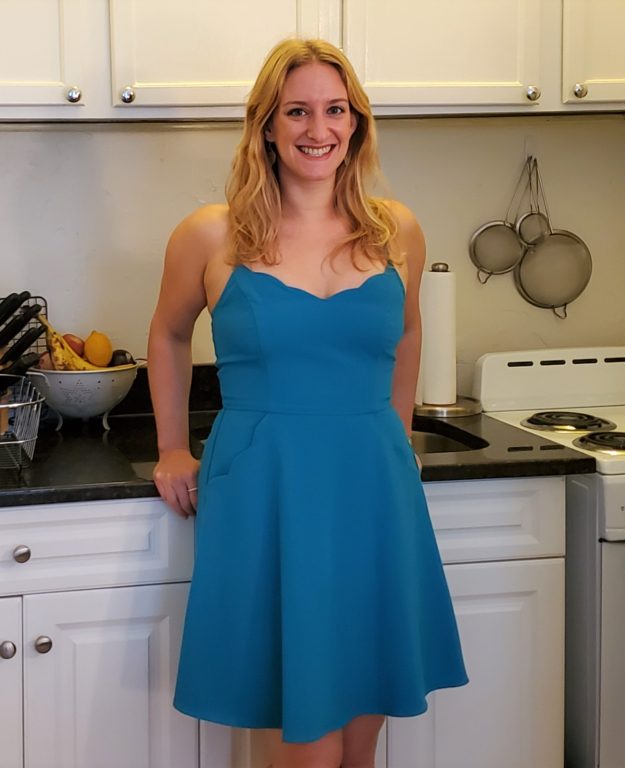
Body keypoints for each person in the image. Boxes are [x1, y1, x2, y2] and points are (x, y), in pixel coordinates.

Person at [148, 38, 468, 768]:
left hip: (373, 484)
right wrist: (171, 445)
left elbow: (408, 330)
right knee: (306, 735)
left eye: (334, 110)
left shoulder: (397, 231)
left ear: (356, 123)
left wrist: (398, 429)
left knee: (362, 730)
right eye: (296, 111)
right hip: (267, 487)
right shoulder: (211, 233)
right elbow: (166, 336)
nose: (316, 129)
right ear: (266, 124)